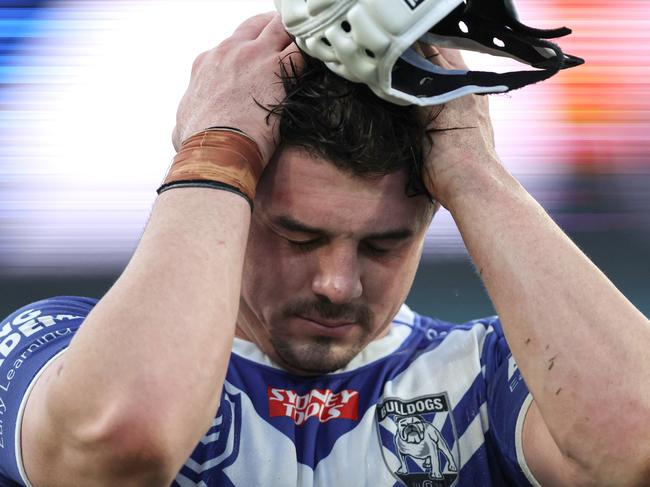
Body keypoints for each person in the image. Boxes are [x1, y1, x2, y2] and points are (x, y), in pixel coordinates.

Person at [0, 12, 648, 487]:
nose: (338, 283)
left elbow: (637, 446)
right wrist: (218, 144)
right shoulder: (57, 345)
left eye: (383, 244)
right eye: (299, 236)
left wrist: (475, 171)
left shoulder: (488, 377)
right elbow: (115, 442)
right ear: (232, 204)